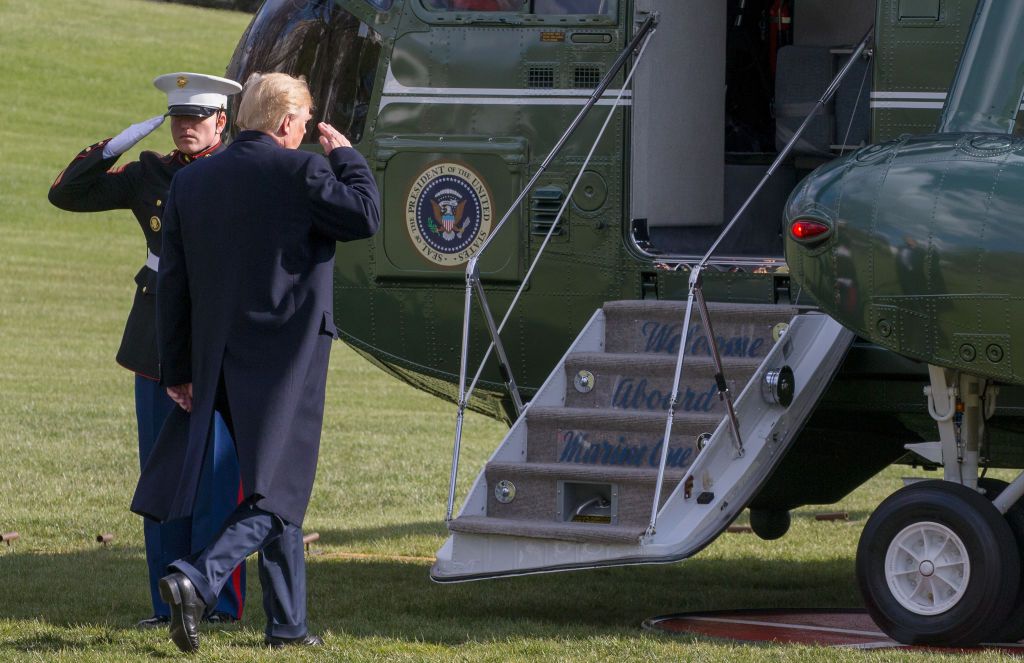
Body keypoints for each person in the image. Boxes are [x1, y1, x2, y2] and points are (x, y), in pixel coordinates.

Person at [149, 72, 380, 652]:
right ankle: (197, 577)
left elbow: (171, 285)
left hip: (215, 359)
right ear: (285, 122)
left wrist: (177, 368)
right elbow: (364, 216)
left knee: (272, 486)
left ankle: (288, 626)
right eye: (304, 121)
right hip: (286, 361)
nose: (307, 130)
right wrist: (348, 157)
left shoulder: (193, 181)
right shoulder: (305, 170)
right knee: (282, 494)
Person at [47, 72, 248, 628]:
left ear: (221, 122)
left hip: (220, 337)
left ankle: (219, 603)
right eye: (177, 117)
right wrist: (118, 144)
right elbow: (66, 193)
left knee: (218, 476)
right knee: (162, 476)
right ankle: (167, 604)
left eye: (197, 118)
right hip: (157, 339)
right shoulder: (149, 173)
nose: (186, 127)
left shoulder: (239, 172)